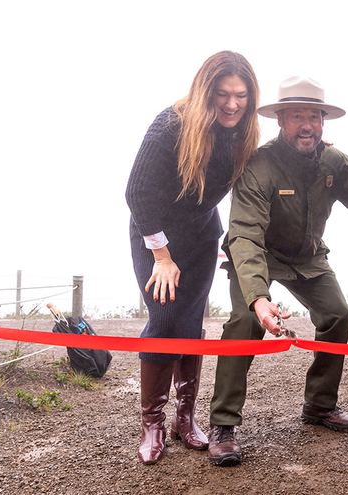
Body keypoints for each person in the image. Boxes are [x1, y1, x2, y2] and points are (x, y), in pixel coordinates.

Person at [207, 76, 348, 467]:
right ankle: (223, 424)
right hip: (260, 254)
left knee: (339, 314)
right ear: (281, 121)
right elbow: (244, 236)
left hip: (308, 256)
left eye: (313, 116)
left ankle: (320, 405)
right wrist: (258, 298)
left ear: (323, 122)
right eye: (296, 116)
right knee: (244, 321)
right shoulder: (258, 165)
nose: (306, 124)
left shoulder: (332, 160)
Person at [125, 50, 261, 465]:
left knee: (190, 324)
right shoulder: (171, 125)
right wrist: (162, 256)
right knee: (165, 320)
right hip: (156, 239)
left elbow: (267, 164)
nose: (232, 103)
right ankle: (153, 423)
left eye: (241, 95)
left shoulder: (242, 132)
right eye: (223, 94)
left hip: (202, 238)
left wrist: (306, 145)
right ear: (207, 91)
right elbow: (137, 194)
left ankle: (186, 419)